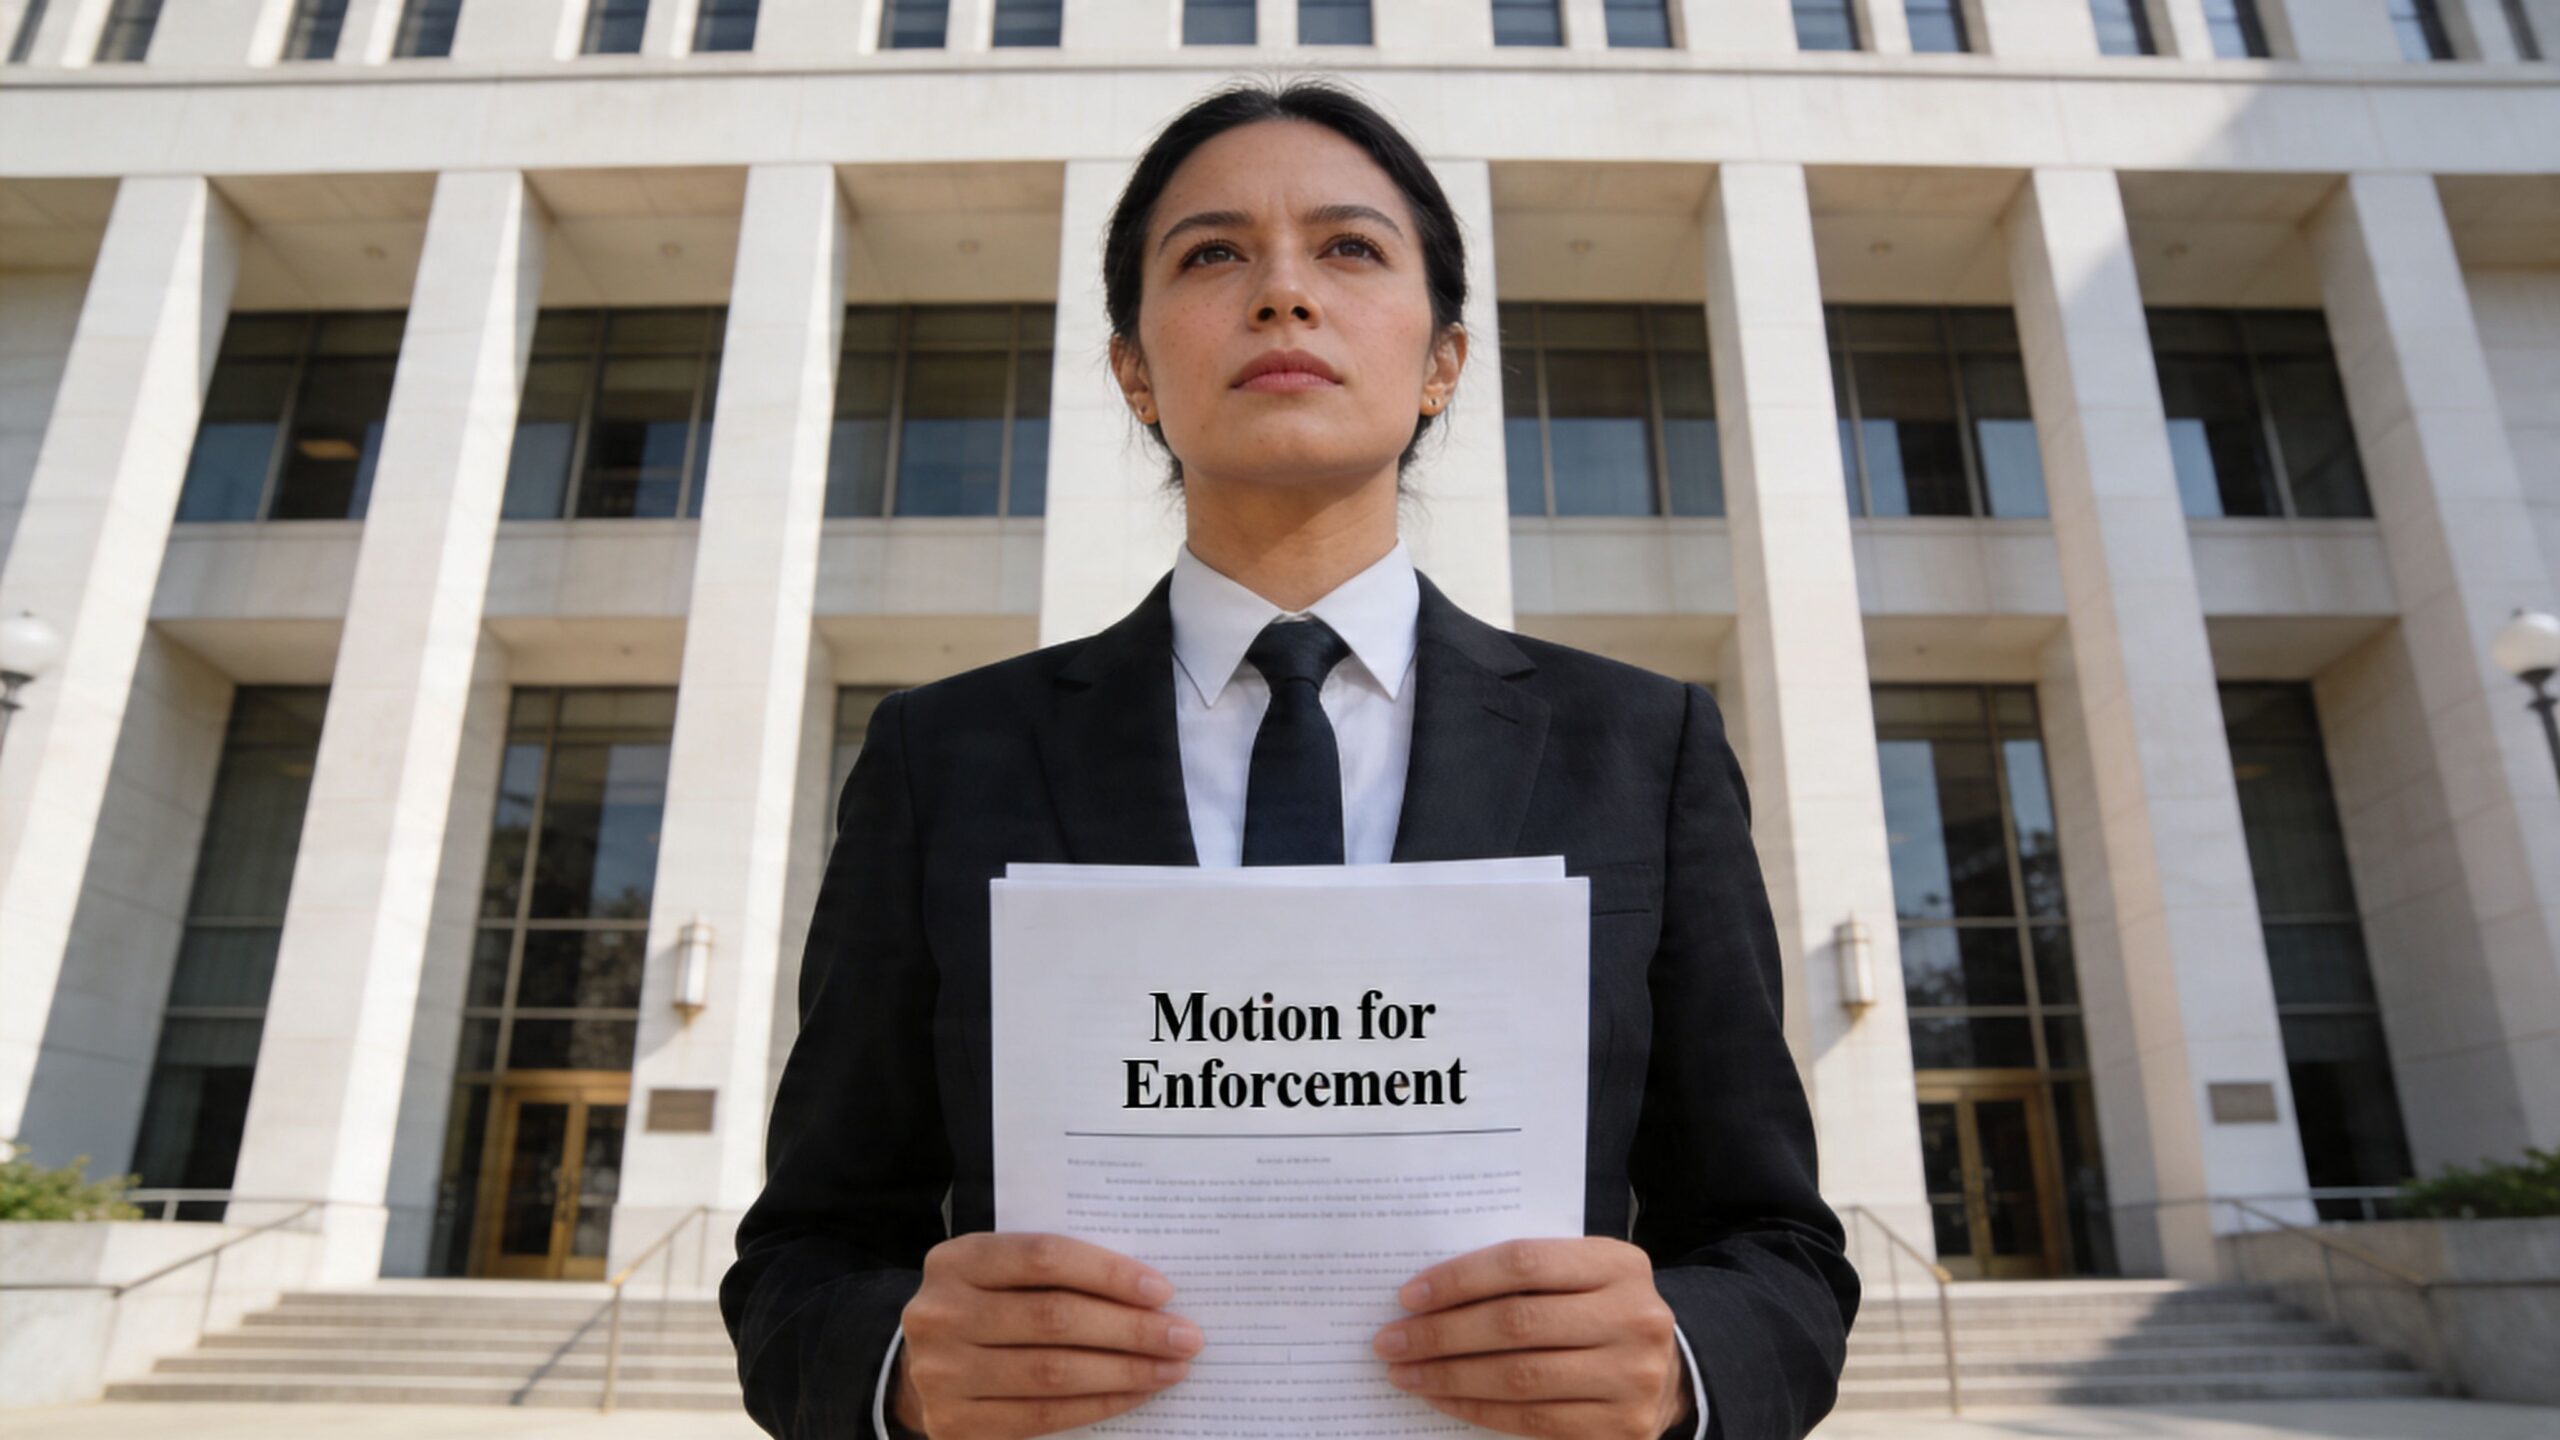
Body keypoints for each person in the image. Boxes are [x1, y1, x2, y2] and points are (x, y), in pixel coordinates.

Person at [721, 78, 1858, 1440]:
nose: (1281, 293)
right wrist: (894, 1368)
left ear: (1444, 358)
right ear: (1134, 369)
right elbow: (804, 1255)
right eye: (1211, 254)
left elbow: (1774, 1245)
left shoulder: (1641, 747)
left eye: (1349, 248)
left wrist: (1687, 1360)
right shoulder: (943, 754)